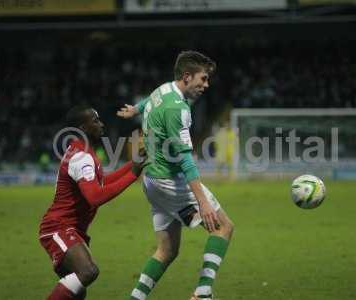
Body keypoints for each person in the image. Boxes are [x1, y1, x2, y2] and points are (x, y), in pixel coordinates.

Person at [117, 50, 234, 300]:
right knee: (223, 227)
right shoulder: (177, 110)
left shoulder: (164, 89)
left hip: (151, 181)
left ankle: (135, 298)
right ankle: (203, 293)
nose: (206, 85)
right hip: (169, 181)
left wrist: (134, 110)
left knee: (166, 250)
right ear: (187, 76)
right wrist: (203, 202)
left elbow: (148, 101)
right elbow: (185, 160)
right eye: (203, 79)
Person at [39, 105, 146, 299]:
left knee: (77, 291)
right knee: (88, 271)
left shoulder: (83, 152)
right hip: (58, 228)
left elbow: (102, 182)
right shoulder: (81, 157)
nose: (101, 124)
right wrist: (133, 174)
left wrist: (134, 164)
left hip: (71, 229)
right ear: (82, 128)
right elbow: (95, 197)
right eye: (95, 121)